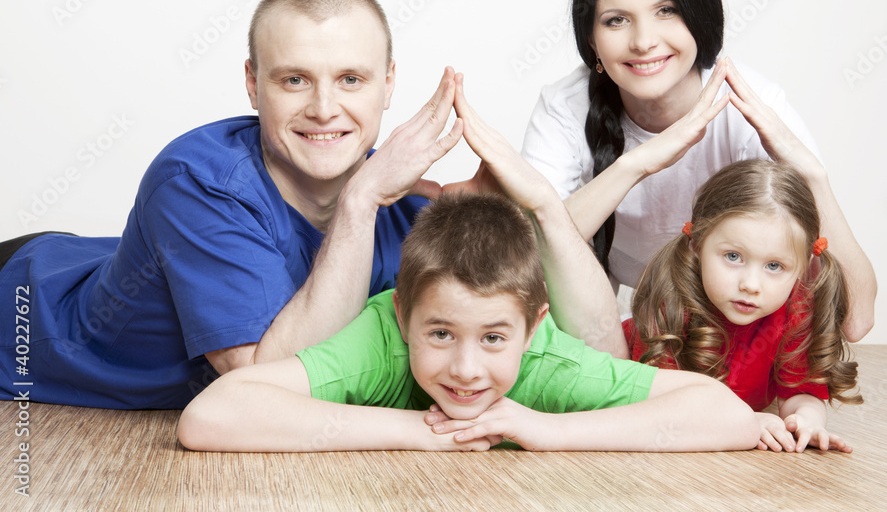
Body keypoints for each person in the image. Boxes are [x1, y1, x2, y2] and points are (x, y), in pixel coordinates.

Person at [177, 80, 759, 453]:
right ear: (404, 317)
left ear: (532, 329)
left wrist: (548, 431)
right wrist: (420, 432)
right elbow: (211, 415)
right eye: (439, 332)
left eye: (494, 337)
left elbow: (728, 416)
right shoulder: (385, 339)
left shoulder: (545, 361)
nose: (465, 366)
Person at [0, 0, 465, 409]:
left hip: (84, 257)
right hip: (21, 310)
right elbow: (264, 385)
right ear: (252, 84)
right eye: (294, 80)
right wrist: (359, 202)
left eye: (350, 80)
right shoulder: (196, 181)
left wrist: (527, 210)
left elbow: (495, 339)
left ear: (387, 84)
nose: (324, 109)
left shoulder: (407, 205)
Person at [521, 0, 876, 342]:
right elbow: (525, 263)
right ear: (592, 40)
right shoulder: (565, 107)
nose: (644, 41)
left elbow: (855, 320)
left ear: (699, 17)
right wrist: (636, 164)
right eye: (617, 20)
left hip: (722, 324)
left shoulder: (750, 106)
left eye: (666, 11)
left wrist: (814, 177)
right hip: (603, 316)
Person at [625, 159, 862, 453]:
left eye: (774, 265)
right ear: (697, 245)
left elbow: (799, 393)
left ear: (803, 267)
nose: (751, 284)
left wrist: (806, 420)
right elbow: (660, 406)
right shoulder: (670, 303)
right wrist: (745, 422)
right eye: (733, 257)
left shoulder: (796, 313)